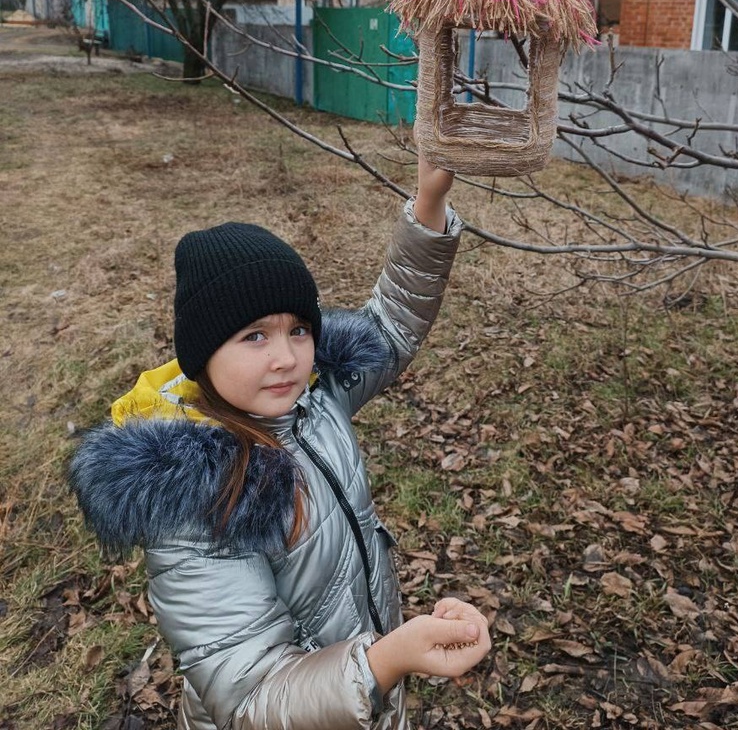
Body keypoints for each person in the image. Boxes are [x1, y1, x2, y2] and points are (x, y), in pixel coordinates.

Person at [70, 155, 491, 730]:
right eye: (253, 336)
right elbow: (249, 698)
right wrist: (383, 663)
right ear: (202, 356)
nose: (286, 358)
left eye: (298, 328)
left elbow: (391, 327)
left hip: (356, 692)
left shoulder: (312, 400)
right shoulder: (195, 501)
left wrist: (428, 207)